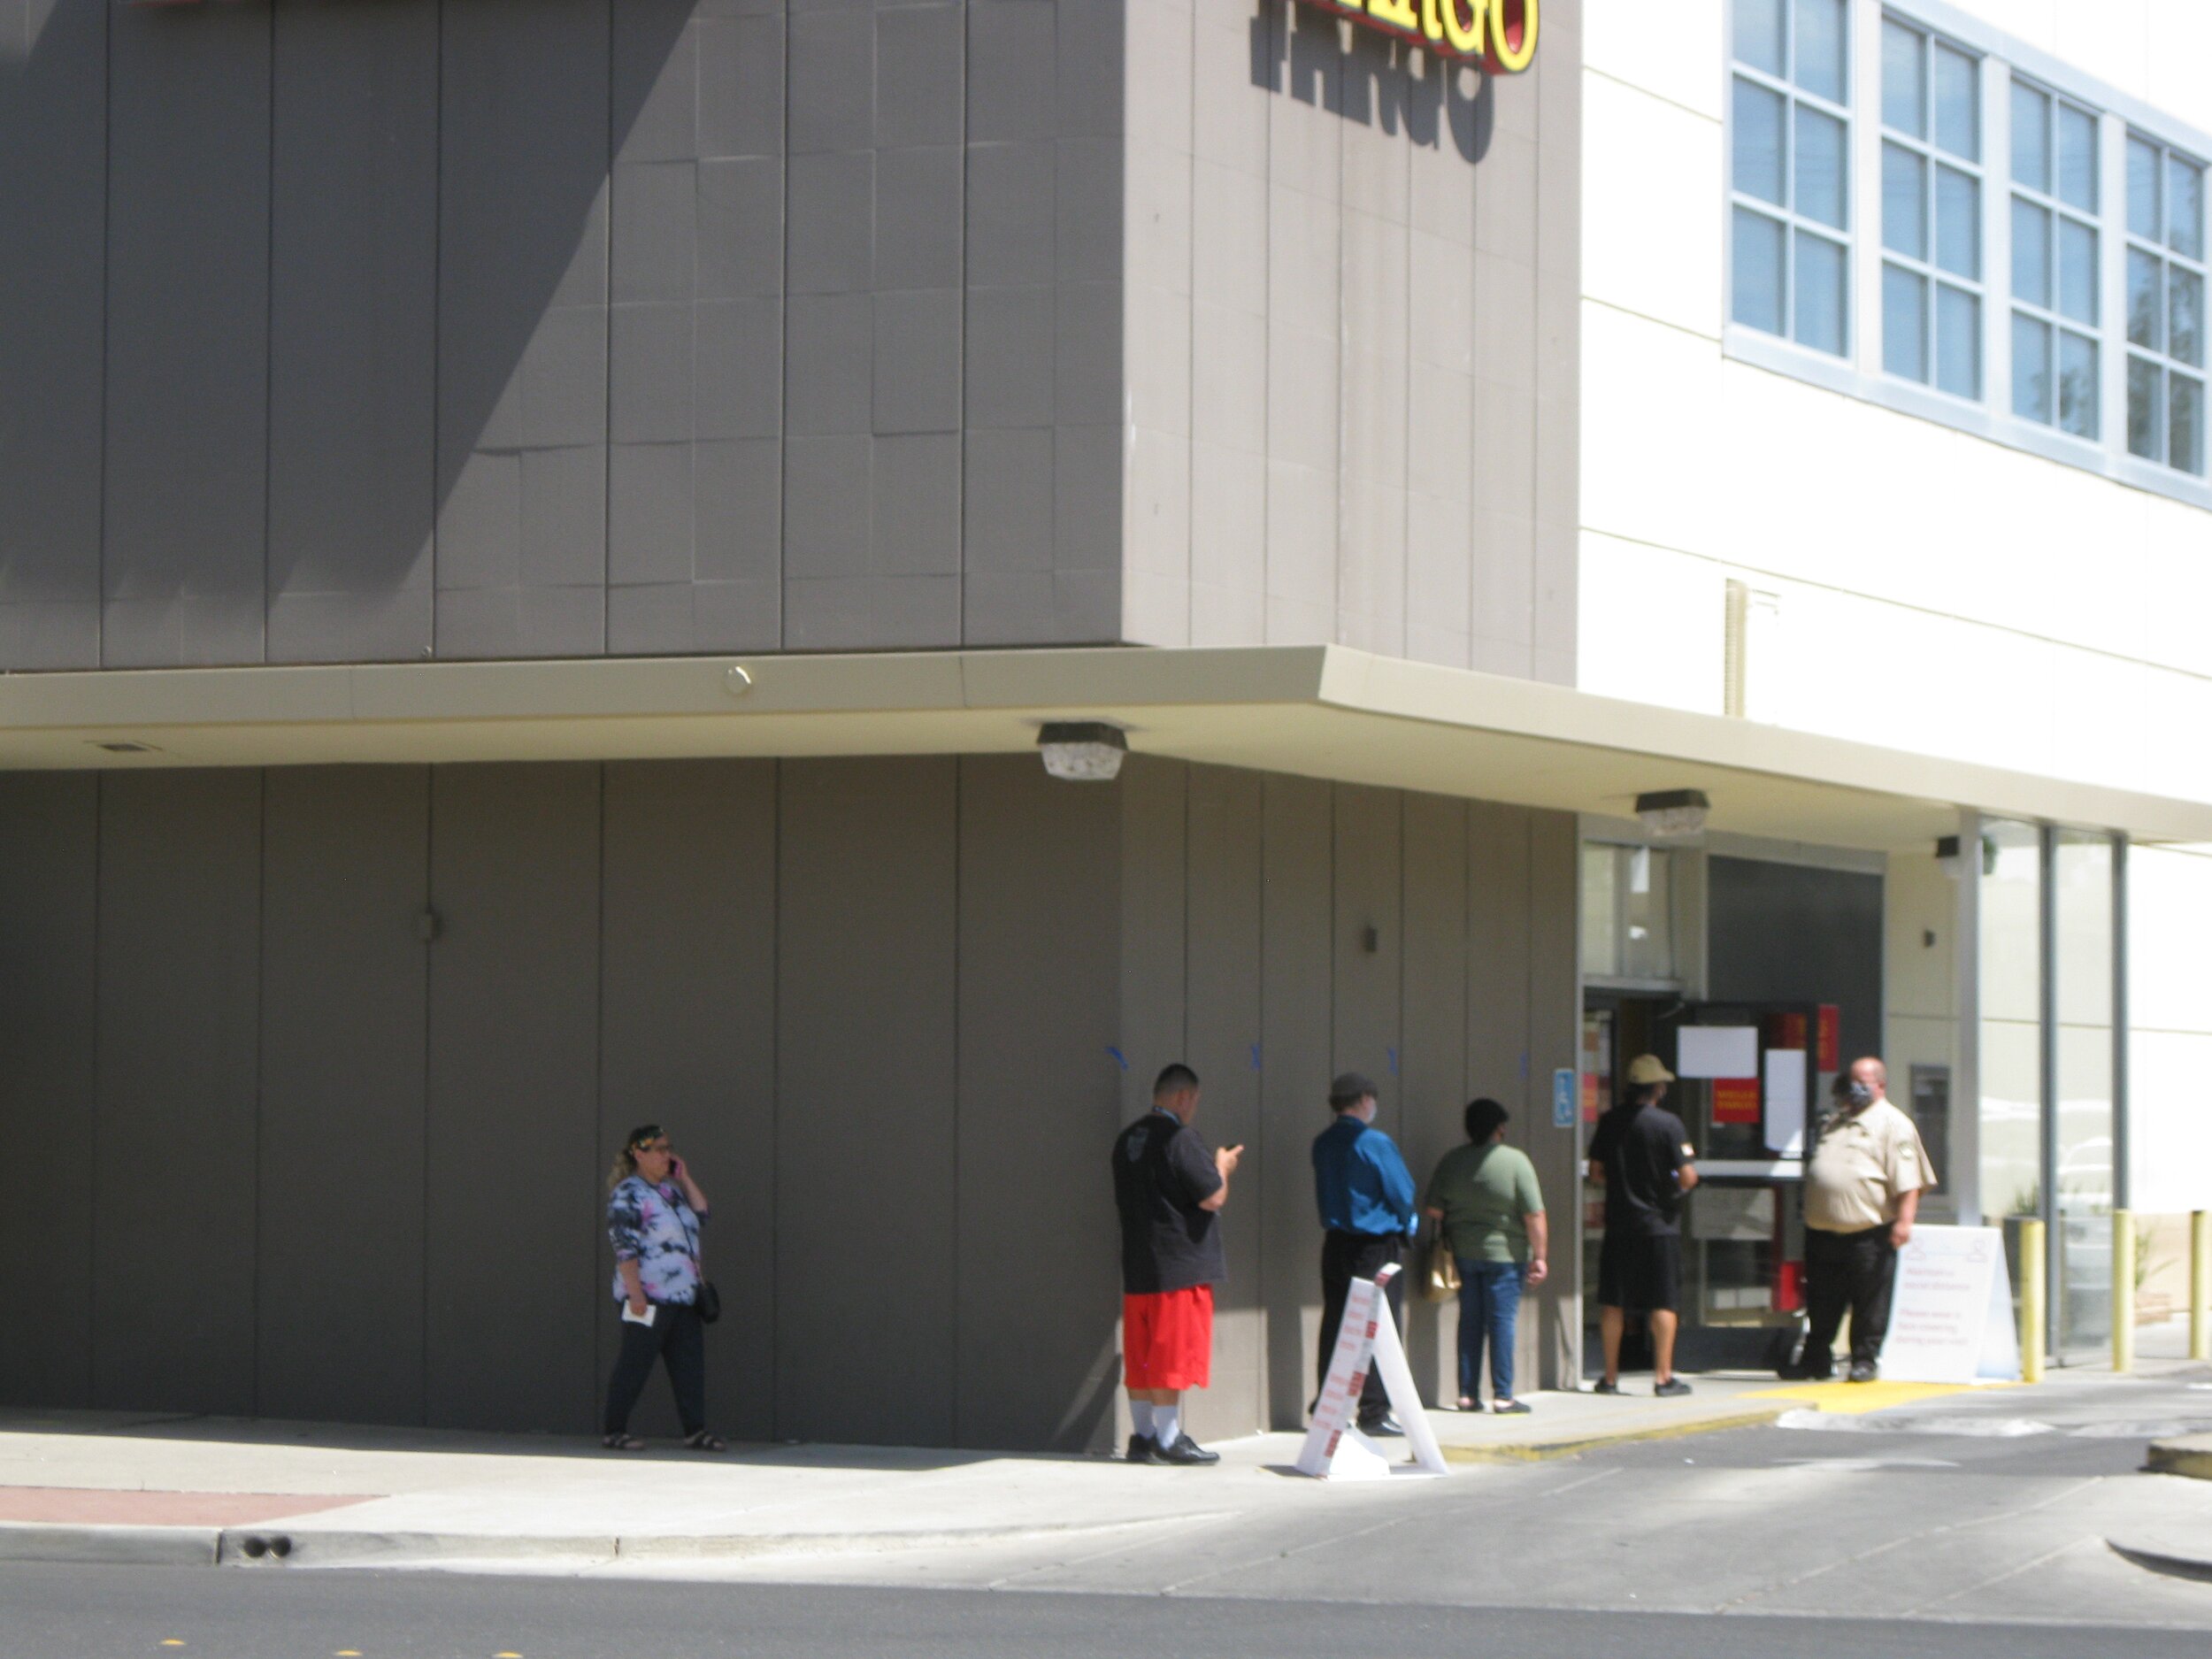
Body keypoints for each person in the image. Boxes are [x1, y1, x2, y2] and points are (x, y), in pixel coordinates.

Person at [1112, 1063, 1243, 1465]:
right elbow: (1212, 1197)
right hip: (1179, 1264)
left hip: (1139, 1265)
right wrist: (1222, 1166)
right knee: (1171, 1353)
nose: (1194, 1109)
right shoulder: (1181, 1138)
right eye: (1195, 1100)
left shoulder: (1127, 1139)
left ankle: (1142, 1436)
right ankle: (1169, 1439)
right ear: (1183, 1096)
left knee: (1141, 1355)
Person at [1793, 1056, 1936, 1383]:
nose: (1853, 1088)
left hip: (1868, 1232)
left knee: (1869, 1301)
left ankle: (1864, 1360)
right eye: (1851, 1080)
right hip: (1823, 1232)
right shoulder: (1837, 1121)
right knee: (1821, 1299)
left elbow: (1909, 1180)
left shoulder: (1893, 1124)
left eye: (1862, 1082)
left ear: (1880, 1085)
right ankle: (1814, 1359)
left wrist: (1904, 1222)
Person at [602, 1124, 726, 1452]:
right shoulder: (628, 1194)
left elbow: (704, 1214)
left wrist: (683, 1177)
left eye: (668, 1148)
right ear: (639, 1154)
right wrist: (635, 1293)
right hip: (649, 1297)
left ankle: (695, 1430)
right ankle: (614, 1430)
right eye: (658, 1149)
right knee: (635, 1363)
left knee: (689, 1366)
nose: (666, 1154)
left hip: (684, 1296)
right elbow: (624, 1248)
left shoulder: (671, 1192)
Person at [1423, 1097, 1548, 1414]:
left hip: (1463, 1254)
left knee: (1470, 1322)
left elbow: (1434, 1209)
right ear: (1499, 1128)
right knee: (1502, 1322)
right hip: (1506, 1256)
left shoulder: (1451, 1161)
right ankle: (1503, 1395)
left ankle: (1467, 1394)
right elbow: (1534, 1214)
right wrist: (1540, 1256)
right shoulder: (1516, 1162)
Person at [1311, 1071, 1418, 1436]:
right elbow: (1402, 1192)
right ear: (1363, 1101)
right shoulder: (1375, 1142)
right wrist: (1409, 1224)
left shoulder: (1323, 1143)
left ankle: (1328, 1402)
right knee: (1379, 1326)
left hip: (1335, 1241)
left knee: (1336, 1323)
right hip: (1374, 1244)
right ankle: (1374, 1410)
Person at [1587, 1055, 1699, 1398]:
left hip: (1619, 1224)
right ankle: (1663, 1378)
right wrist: (1671, 1190)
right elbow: (1688, 1176)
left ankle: (1608, 1377)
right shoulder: (1669, 1125)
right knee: (1663, 1302)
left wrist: (1621, 1187)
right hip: (1659, 1226)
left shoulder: (1609, 1121)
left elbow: (1595, 1171)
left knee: (1613, 1302)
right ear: (1658, 1089)